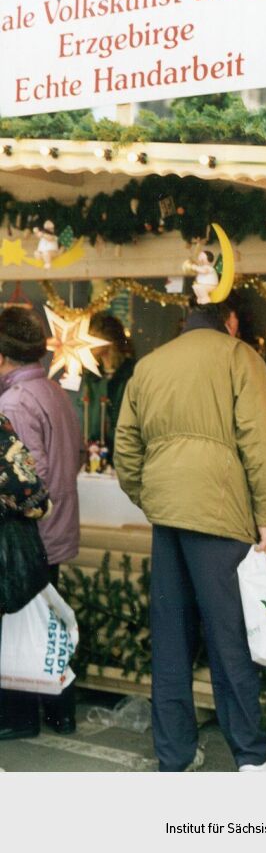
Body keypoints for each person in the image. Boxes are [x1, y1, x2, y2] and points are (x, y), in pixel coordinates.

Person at [114, 302, 266, 772]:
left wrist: (151, 496)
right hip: (220, 514)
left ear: (186, 322)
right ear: (230, 320)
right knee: (229, 638)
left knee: (170, 640)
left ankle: (175, 756)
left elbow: (125, 447)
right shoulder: (239, 357)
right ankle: (251, 757)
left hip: (167, 516)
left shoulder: (149, 365)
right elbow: (262, 441)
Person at [0, 307, 81, 739]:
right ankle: (59, 713)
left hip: (29, 537)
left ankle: (17, 719)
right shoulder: (52, 390)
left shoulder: (13, 400)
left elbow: (29, 477)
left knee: (18, 623)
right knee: (47, 623)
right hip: (58, 529)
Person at [78, 313, 136, 457]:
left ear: (107, 339)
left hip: (123, 451)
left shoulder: (131, 374)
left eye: (91, 336)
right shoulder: (92, 377)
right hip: (94, 452)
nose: (86, 343)